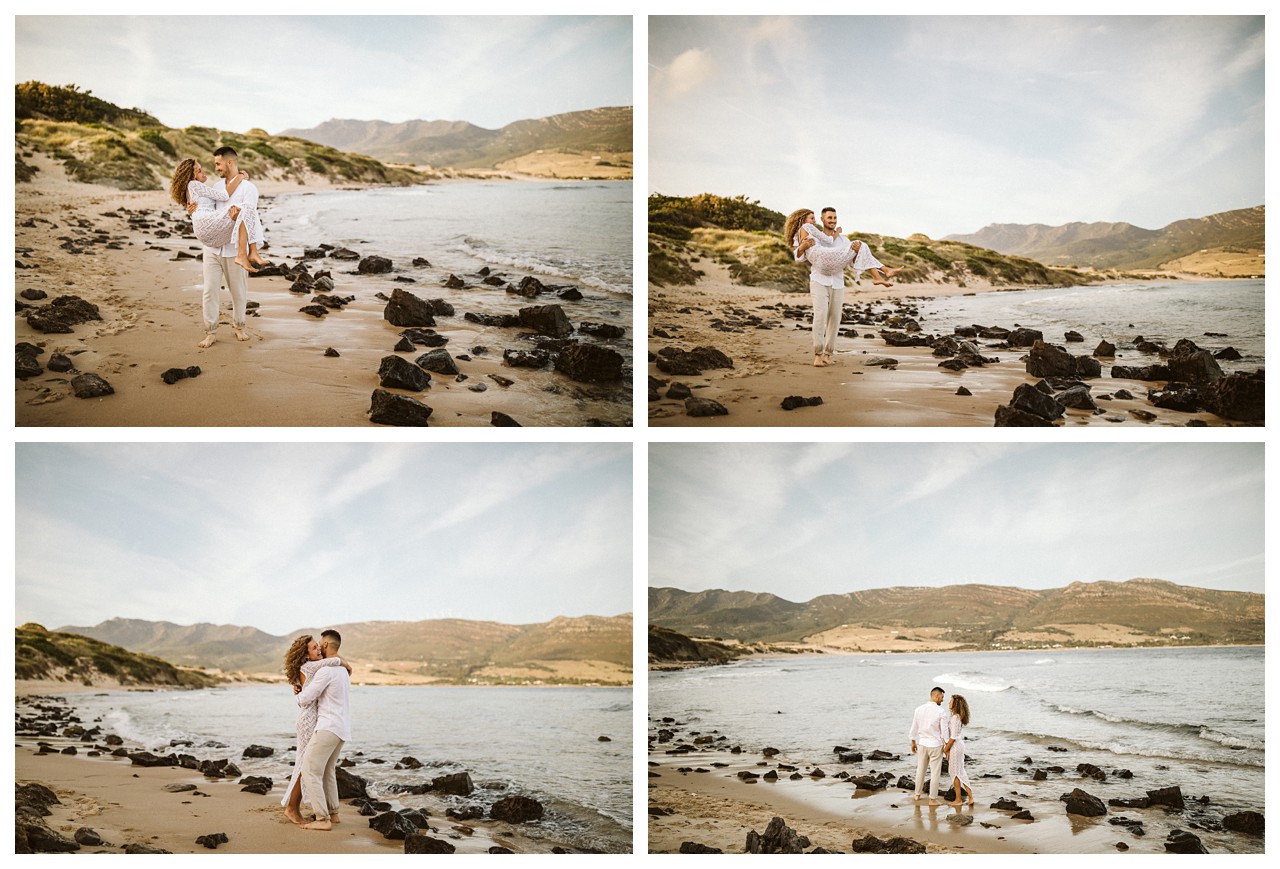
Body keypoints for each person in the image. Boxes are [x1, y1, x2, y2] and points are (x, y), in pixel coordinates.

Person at [782, 208, 900, 367]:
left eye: (835, 218)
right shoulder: (813, 233)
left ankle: (827, 354)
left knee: (835, 319)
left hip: (837, 282)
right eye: (829, 218)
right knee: (820, 315)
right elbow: (799, 257)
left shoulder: (843, 240)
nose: (833, 220)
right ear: (822, 220)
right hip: (819, 280)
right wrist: (803, 246)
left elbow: (851, 263)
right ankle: (817, 354)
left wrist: (856, 252)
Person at [183, 147, 264, 348]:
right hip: (211, 249)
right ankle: (210, 332)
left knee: (239, 292)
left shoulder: (248, 188)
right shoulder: (217, 186)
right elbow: (205, 210)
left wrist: (239, 218)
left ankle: (239, 327)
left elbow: (251, 217)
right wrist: (190, 211)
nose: (215, 167)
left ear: (229, 163)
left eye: (218, 163)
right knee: (209, 292)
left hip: (233, 249)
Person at [281, 633, 351, 826]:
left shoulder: (327, 669)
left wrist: (298, 694)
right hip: (336, 727)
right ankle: (330, 813)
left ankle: (321, 817)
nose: (318, 648)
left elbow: (304, 699)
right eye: (314, 647)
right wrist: (343, 662)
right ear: (305, 655)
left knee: (309, 769)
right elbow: (306, 696)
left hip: (325, 724)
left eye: (318, 645)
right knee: (322, 769)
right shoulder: (339, 670)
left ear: (326, 643)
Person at [908, 686, 950, 806]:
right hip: (935, 745)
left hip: (922, 744)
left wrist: (913, 742)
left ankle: (917, 795)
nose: (942, 700)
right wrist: (947, 746)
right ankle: (932, 799)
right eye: (941, 697)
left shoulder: (918, 709)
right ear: (936, 696)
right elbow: (944, 732)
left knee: (920, 770)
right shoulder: (940, 711)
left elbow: (914, 727)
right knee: (935, 772)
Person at [943, 694, 974, 807]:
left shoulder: (955, 718)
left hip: (955, 746)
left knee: (954, 773)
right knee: (961, 772)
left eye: (950, 701)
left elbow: (953, 737)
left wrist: (945, 750)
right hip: (958, 745)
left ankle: (958, 800)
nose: (948, 703)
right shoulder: (956, 717)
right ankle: (970, 798)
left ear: (955, 704)